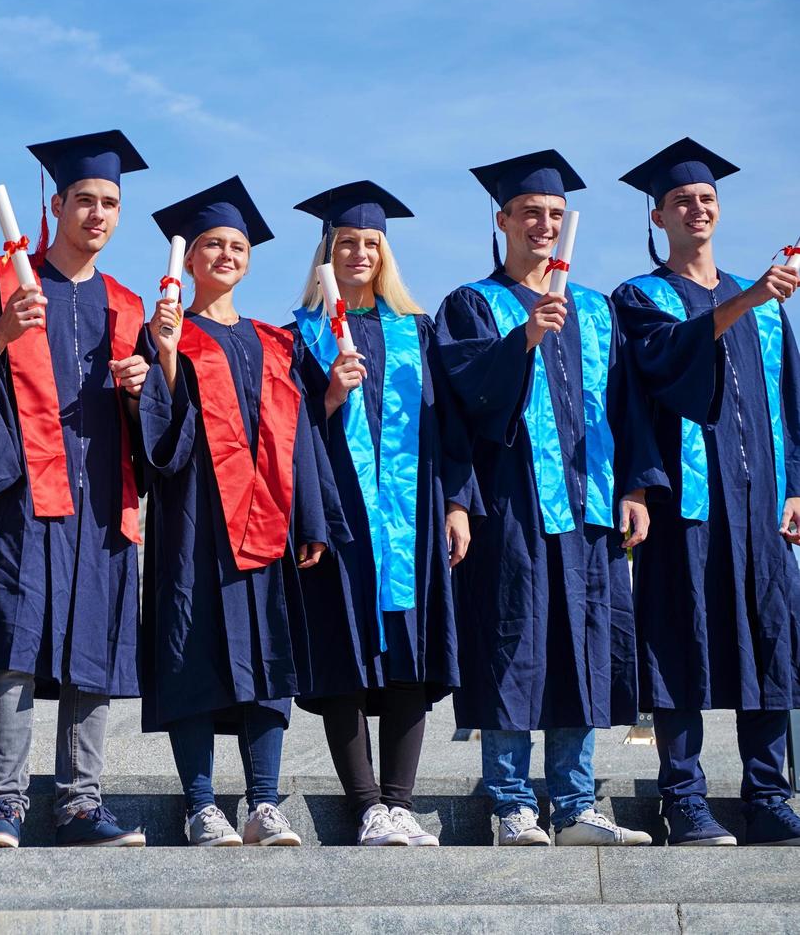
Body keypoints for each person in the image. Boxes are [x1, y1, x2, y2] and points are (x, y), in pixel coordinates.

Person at [436, 149, 663, 847]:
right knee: (512, 647)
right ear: (501, 219)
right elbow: (463, 401)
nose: (542, 223)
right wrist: (523, 339)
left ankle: (573, 804)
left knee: (584, 651)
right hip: (511, 510)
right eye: (529, 212)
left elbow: (628, 408)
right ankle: (509, 803)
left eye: (554, 214)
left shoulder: (595, 309)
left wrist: (634, 486)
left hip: (591, 515)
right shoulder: (473, 303)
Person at [0, 130, 151, 848]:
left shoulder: (129, 306)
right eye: (85, 201)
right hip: (18, 497)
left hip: (104, 500)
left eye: (109, 203)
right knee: (13, 643)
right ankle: (2, 805)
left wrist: (145, 391)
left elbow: (159, 421)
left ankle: (80, 803)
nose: (97, 214)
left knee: (93, 648)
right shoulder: (1, 279)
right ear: (56, 203)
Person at [610, 138, 800, 847]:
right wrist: (749, 297)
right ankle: (682, 797)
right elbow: (664, 363)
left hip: (760, 504)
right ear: (657, 216)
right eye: (681, 200)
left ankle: (766, 794)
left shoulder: (762, 300)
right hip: (683, 503)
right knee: (678, 638)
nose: (696, 207)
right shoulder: (640, 296)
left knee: (770, 638)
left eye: (706, 199)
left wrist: (797, 486)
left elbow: (788, 401)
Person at [139, 176, 338, 847]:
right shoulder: (167, 332)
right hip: (194, 524)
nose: (225, 254)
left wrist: (311, 519)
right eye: (211, 245)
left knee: (269, 652)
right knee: (190, 648)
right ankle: (200, 804)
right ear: (188, 259)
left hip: (269, 523)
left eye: (236, 245)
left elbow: (303, 433)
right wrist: (165, 357)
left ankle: (262, 802)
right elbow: (156, 434)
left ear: (248, 259)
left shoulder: (277, 343)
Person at [289, 181, 476, 847]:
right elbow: (285, 435)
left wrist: (457, 503)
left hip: (415, 519)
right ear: (327, 254)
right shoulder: (300, 336)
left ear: (384, 253)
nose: (359, 252)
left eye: (370, 243)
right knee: (343, 654)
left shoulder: (418, 331)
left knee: (411, 656)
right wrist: (328, 397)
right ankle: (367, 805)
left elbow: (451, 426)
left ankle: (399, 804)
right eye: (347, 243)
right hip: (340, 522)